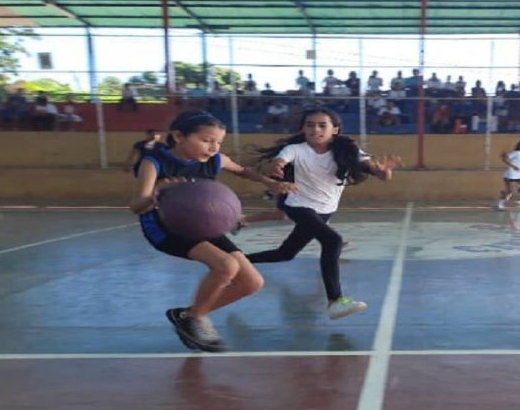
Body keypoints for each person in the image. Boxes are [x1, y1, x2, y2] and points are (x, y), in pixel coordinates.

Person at [130, 110, 288, 352]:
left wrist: (271, 183)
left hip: (202, 224)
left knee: (251, 283)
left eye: (218, 142)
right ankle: (195, 319)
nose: (214, 147)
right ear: (179, 136)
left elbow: (243, 170)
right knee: (226, 266)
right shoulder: (154, 162)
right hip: (166, 228)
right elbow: (136, 206)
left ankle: (188, 315)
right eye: (206, 140)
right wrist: (157, 192)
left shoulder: (216, 160)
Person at [246, 107, 402, 320]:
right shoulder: (295, 149)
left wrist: (383, 171)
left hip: (325, 209)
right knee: (333, 241)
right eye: (310, 125)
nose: (315, 129)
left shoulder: (348, 151)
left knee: (285, 254)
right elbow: (280, 161)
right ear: (303, 129)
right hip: (297, 204)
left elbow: (379, 174)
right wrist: (276, 167)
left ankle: (238, 260)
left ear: (334, 129)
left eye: (322, 125)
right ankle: (335, 301)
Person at [495, 140, 520, 210]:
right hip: (510, 174)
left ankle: (508, 191)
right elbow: (505, 159)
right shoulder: (516, 153)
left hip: (519, 175)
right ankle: (499, 204)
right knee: (509, 191)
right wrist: (513, 166)